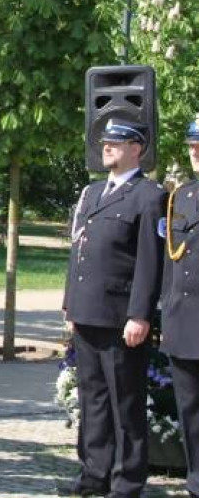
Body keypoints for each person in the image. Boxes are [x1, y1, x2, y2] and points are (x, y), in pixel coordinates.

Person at [60, 118, 166, 498]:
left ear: (136, 148)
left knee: (126, 402)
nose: (107, 147)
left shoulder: (149, 195)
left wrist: (140, 314)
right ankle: (93, 474)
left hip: (121, 318)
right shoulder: (91, 193)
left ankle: (126, 482)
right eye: (105, 142)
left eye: (117, 143)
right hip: (87, 312)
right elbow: (79, 251)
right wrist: (69, 304)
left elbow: (149, 262)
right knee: (93, 400)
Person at [160, 116, 199, 498]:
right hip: (184, 323)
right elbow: (169, 262)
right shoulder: (181, 196)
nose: (195, 151)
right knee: (190, 413)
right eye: (192, 145)